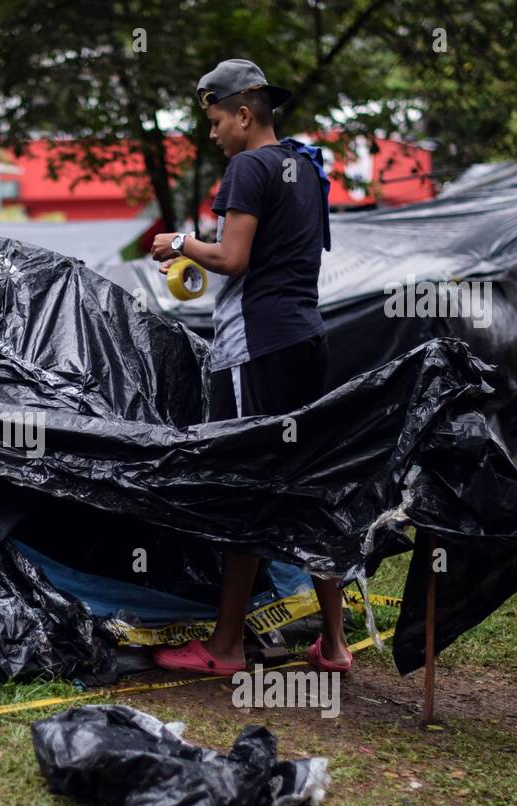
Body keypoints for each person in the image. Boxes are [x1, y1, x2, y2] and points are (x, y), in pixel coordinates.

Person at [149, 58, 349, 676]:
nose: (211, 134)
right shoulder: (306, 167)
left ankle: (227, 647)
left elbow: (233, 258)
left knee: (245, 485)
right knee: (307, 484)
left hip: (255, 348)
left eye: (214, 121)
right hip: (306, 339)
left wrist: (181, 244)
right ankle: (335, 645)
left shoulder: (248, 167)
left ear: (243, 114)